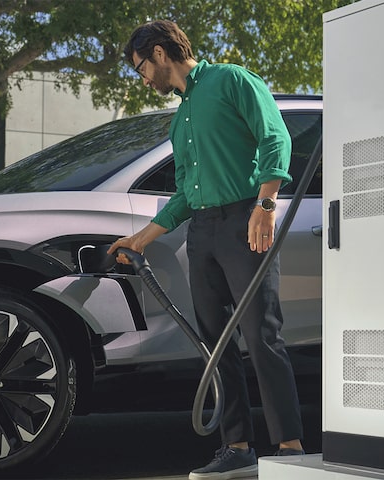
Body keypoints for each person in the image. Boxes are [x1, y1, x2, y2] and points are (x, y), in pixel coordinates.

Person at [108, 20, 305, 480]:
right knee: (215, 344)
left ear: (158, 53)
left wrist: (266, 204)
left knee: (261, 335)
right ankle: (236, 447)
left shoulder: (232, 80)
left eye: (140, 68)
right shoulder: (181, 118)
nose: (142, 78)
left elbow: (275, 136)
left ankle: (290, 448)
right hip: (203, 231)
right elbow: (184, 194)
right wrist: (140, 239)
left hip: (244, 221)